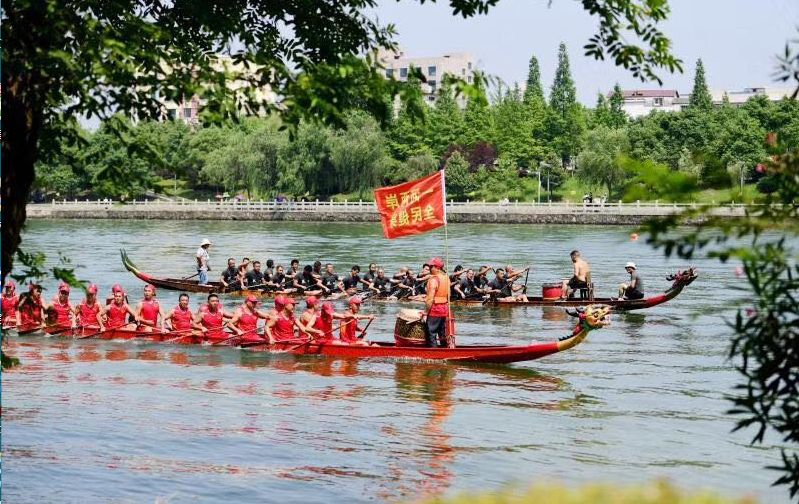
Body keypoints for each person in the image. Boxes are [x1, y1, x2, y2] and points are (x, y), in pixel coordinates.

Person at [424, 257, 452, 348]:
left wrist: (425, 312)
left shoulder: (433, 280)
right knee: (441, 332)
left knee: (430, 332)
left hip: (435, 309)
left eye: (431, 266)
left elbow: (430, 299)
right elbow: (449, 295)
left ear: (437, 268)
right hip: (444, 308)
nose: (430, 268)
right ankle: (444, 348)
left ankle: (433, 353)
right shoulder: (446, 278)